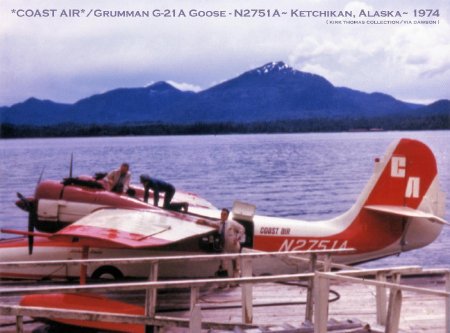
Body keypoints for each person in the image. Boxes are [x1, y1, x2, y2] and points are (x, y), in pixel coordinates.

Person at [198, 208, 245, 279]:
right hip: (225, 247)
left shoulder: (232, 223)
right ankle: (224, 282)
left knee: (236, 265)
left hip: (234, 247)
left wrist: (237, 238)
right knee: (224, 265)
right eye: (221, 214)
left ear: (227, 215)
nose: (222, 216)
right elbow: (211, 222)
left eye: (224, 214)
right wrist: (204, 221)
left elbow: (242, 228)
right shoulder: (219, 223)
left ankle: (236, 281)